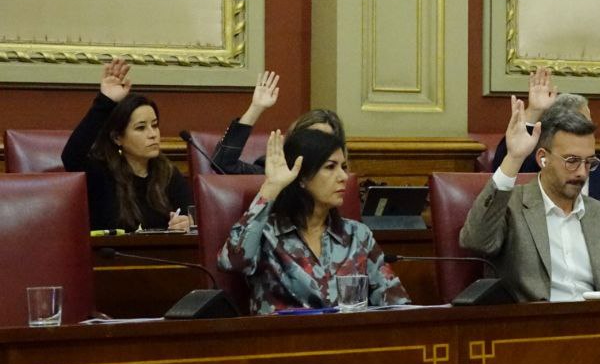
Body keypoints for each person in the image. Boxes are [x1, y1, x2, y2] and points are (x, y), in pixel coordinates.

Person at [460, 96, 600, 301]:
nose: (582, 172)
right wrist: (514, 158)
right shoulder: (512, 206)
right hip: (535, 326)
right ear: (543, 158)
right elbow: (476, 240)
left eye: (589, 162)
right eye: (572, 161)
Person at [218, 128, 408, 314]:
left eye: (343, 167)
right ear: (302, 177)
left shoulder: (357, 235)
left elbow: (399, 307)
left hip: (347, 342)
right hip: (283, 342)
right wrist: (271, 187)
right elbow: (231, 262)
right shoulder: (266, 234)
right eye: (330, 167)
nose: (343, 177)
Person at [61, 58, 193, 232]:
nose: (153, 134)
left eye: (154, 125)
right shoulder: (101, 173)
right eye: (141, 128)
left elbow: (189, 216)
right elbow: (71, 156)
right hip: (112, 257)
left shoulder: (168, 173)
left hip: (163, 257)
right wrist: (104, 102)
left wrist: (187, 222)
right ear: (117, 138)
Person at [488, 68, 600, 222]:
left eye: (585, 126)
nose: (582, 172)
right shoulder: (533, 168)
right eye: (571, 161)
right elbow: (503, 173)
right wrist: (533, 112)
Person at [209, 70, 345, 175]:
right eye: (313, 138)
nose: (319, 147)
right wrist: (255, 108)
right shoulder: (273, 172)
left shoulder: (339, 181)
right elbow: (222, 164)